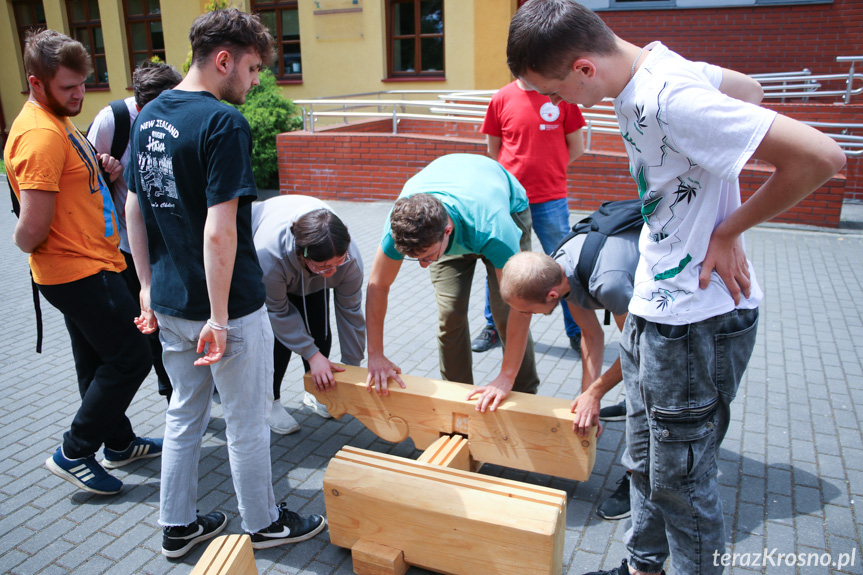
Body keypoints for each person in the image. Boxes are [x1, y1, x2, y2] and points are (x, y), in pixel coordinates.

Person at [506, 2, 846, 574]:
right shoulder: (656, 62)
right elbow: (752, 91)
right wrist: (721, 202)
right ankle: (643, 564)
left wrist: (728, 227)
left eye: (558, 93)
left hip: (692, 324)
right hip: (656, 310)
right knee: (645, 464)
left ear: (585, 67)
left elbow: (821, 157)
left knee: (682, 487)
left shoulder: (662, 94)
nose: (562, 107)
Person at [124, 9, 325, 558]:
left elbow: (134, 208)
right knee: (245, 421)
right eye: (254, 68)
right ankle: (263, 524)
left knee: (184, 414)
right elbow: (219, 231)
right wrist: (217, 317)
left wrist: (145, 285)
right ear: (223, 60)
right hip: (228, 309)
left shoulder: (149, 115)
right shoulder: (222, 123)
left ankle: (178, 525)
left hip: (168, 302)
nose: (256, 80)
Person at [4, 29, 162, 496]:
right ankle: (74, 451)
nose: (79, 95)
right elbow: (30, 230)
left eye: (82, 85)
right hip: (76, 271)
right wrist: (21, 237)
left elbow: (76, 174)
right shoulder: (38, 137)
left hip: (94, 262)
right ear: (37, 83)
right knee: (131, 357)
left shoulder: (59, 120)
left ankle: (118, 442)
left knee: (96, 360)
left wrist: (104, 168)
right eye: (68, 87)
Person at [366, 153, 540, 412]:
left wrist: (505, 376)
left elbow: (521, 306)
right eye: (416, 259)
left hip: (504, 208)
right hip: (453, 215)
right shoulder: (401, 228)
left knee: (505, 312)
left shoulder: (495, 230)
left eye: (427, 257)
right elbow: (378, 286)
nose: (425, 265)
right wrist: (376, 355)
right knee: (450, 314)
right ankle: (459, 401)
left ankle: (525, 397)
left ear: (447, 230)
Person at [500, 208, 640, 520]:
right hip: (615, 271)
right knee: (610, 389)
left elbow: (638, 351)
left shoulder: (609, 284)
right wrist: (585, 400)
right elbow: (591, 335)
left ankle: (639, 481)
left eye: (530, 312)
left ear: (551, 295)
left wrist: (596, 393)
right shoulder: (557, 267)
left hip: (694, 297)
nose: (529, 317)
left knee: (651, 388)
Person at [87, 59, 182, 403]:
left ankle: (187, 381)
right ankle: (170, 390)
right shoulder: (114, 120)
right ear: (141, 107)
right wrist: (105, 171)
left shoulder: (178, 119)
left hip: (173, 242)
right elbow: (84, 181)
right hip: (129, 245)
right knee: (151, 321)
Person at [472, 77, 586, 354]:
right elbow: (494, 149)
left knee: (564, 266)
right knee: (504, 263)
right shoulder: (501, 98)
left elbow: (577, 147)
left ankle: (578, 331)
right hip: (510, 202)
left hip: (552, 198)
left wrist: (551, 169)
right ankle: (494, 327)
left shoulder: (562, 95)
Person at [252, 195, 365, 433]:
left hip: (305, 273)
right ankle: (269, 403)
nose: (332, 272)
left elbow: (350, 311)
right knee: (277, 342)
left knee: (319, 330)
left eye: (337, 264)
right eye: (324, 266)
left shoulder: (349, 259)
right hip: (274, 275)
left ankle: (316, 391)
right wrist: (311, 355)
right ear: (303, 254)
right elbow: (277, 311)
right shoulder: (270, 256)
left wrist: (352, 367)